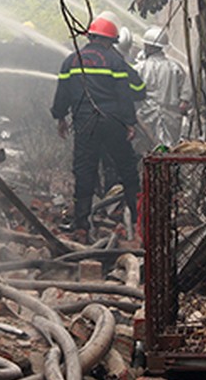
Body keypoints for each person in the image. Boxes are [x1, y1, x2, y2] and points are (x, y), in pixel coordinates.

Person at [51, 15, 146, 240]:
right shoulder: (115, 62)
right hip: (113, 122)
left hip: (85, 124)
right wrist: (129, 122)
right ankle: (137, 219)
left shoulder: (71, 60)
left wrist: (60, 117)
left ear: (90, 37)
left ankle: (82, 224)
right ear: (109, 41)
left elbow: (62, 94)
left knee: (84, 170)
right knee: (127, 168)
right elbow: (130, 92)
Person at [135, 26, 193, 149]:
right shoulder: (175, 68)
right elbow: (186, 95)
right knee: (171, 150)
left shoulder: (140, 68)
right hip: (172, 117)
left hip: (146, 116)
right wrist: (183, 103)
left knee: (150, 151)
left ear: (148, 47)